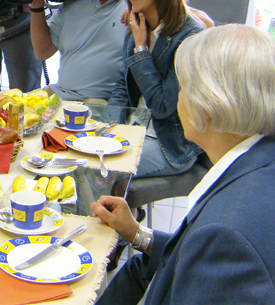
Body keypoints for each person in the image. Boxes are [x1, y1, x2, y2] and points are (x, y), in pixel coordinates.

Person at [93, 25, 275, 304]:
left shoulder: (227, 237)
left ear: (208, 103)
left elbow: (217, 250)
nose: (179, 98)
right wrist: (138, 234)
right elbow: (197, 256)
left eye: (183, 86)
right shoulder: (259, 164)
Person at [108, 0, 204, 178]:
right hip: (132, 129)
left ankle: (119, 214)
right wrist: (108, 126)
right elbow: (123, 82)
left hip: (167, 143)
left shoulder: (190, 37)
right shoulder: (138, 24)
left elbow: (162, 107)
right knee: (75, 154)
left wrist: (141, 50)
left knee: (100, 169)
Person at [29, 0, 138, 101]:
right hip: (60, 94)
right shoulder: (74, 3)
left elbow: (181, 11)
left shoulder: (137, 6)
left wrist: (137, 9)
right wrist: (36, 5)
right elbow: (42, 52)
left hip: (101, 103)